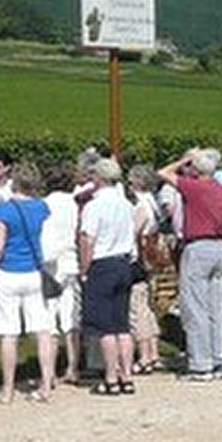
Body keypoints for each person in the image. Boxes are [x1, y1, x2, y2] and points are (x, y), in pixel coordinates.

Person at [159, 148, 222, 382]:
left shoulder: (194, 187)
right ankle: (217, 358)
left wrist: (184, 159)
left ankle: (200, 363)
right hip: (218, 247)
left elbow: (162, 172)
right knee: (215, 307)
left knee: (195, 305)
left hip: (198, 245)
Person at [0, 162, 56, 403]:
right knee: (42, 330)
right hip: (34, 272)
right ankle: (46, 385)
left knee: (9, 332)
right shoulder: (41, 207)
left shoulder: (3, 211)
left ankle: (7, 390)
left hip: (8, 272)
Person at [78, 158, 137, 395]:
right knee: (121, 323)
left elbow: (87, 239)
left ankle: (111, 376)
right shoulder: (125, 204)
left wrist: (84, 268)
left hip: (102, 264)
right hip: (123, 262)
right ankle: (128, 375)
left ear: (99, 178)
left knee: (105, 326)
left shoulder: (95, 206)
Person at [40, 161, 84, 385]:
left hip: (50, 266)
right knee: (71, 318)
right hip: (71, 261)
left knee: (49, 320)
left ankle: (48, 373)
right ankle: (73, 367)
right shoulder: (74, 204)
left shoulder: (44, 204)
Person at [125, 164, 167, 375]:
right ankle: (153, 351)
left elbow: (134, 232)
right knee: (147, 305)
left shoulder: (141, 204)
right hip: (150, 256)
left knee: (137, 308)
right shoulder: (152, 200)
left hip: (140, 257)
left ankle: (145, 355)